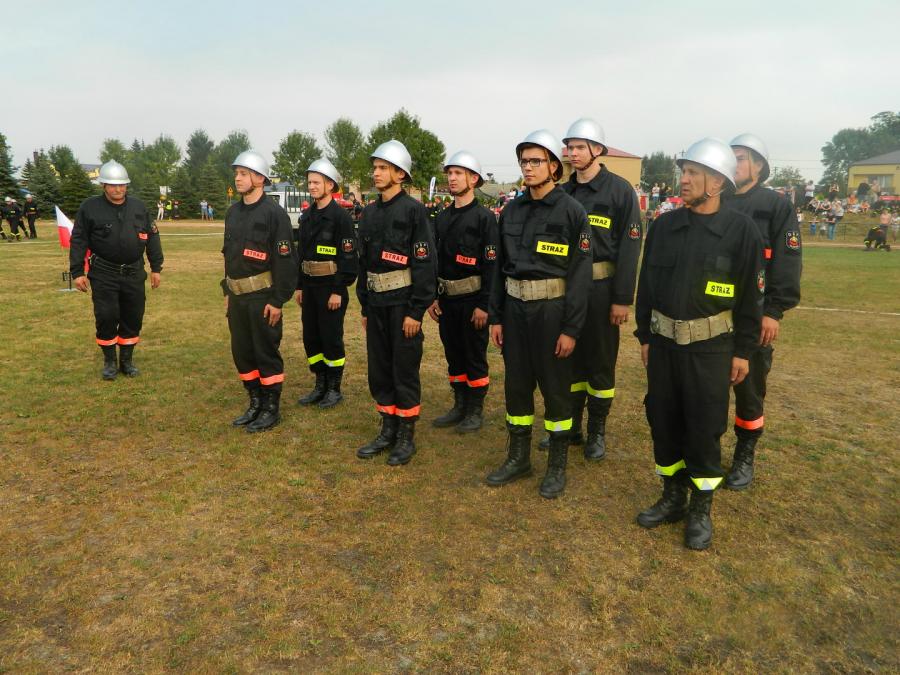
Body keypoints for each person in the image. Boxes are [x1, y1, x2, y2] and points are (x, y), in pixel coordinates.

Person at [634, 138, 763, 550]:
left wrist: (743, 351)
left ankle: (700, 508)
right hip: (663, 346)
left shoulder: (741, 231)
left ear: (718, 182)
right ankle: (672, 497)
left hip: (711, 350)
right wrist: (644, 336)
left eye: (693, 173)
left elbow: (751, 298)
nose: (684, 179)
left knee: (704, 427)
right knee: (663, 419)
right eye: (683, 172)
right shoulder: (664, 227)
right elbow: (646, 286)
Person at [485, 129, 592, 499]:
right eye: (524, 161)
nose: (528, 167)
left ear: (554, 167)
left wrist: (571, 329)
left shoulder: (572, 212)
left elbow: (580, 276)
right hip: (514, 312)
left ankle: (556, 466)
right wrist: (496, 316)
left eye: (535, 161)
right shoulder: (510, 211)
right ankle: (518, 458)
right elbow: (499, 268)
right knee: (516, 386)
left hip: (552, 313)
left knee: (556, 389)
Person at [542, 117, 641, 460]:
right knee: (566, 358)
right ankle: (569, 426)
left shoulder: (620, 191)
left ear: (598, 150)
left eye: (579, 147)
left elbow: (630, 248)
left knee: (599, 361)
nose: (572, 153)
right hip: (566, 290)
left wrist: (622, 299)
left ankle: (597, 431)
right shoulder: (562, 192)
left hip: (601, 289)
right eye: (569, 147)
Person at [724, 134, 802, 491]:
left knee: (749, 390)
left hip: (755, 316)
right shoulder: (717, 200)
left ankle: (744, 456)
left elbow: (787, 261)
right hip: (713, 311)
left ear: (758, 165)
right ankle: (705, 448)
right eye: (731, 158)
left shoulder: (776, 206)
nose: (734, 164)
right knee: (708, 388)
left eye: (740, 158)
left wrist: (773, 311)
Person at [355, 140, 436, 466]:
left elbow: (425, 263)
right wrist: (364, 306)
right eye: (375, 168)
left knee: (404, 369)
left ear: (400, 174)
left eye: (383, 168)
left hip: (403, 306)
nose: (376, 173)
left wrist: (416, 311)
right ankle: (387, 428)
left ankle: (405, 435)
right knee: (379, 369)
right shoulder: (369, 212)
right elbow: (363, 263)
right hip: (376, 305)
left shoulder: (414, 211)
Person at [223, 150, 298, 433]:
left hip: (263, 297)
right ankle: (254, 402)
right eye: (237, 173)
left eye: (244, 173)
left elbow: (285, 261)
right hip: (237, 297)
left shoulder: (274, 214)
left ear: (260, 178)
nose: (238, 178)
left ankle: (270, 408)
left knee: (265, 352)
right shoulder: (232, 213)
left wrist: (278, 300)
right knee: (242, 352)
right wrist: (228, 292)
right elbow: (228, 256)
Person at [69, 160, 164, 380]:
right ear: (103, 185)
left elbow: (152, 236)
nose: (118, 189)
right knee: (107, 316)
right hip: (104, 274)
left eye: (122, 185)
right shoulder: (89, 208)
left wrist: (156, 267)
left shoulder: (139, 207)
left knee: (133, 316)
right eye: (113, 185)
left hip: (133, 273)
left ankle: (127, 361)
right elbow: (79, 240)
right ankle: (110, 362)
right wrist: (77, 272)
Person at [427, 151, 498, 433]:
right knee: (454, 354)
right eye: (450, 173)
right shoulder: (442, 217)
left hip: (473, 301)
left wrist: (484, 305)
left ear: (474, 179)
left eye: (458, 173)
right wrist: (433, 296)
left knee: (474, 355)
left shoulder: (485, 218)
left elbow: (492, 265)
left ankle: (475, 410)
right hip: (447, 300)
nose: (452, 178)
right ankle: (459, 405)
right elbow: (434, 260)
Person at [295, 158, 357, 409]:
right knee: (311, 337)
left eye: (316, 182)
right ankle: (319, 384)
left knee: (331, 337)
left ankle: (334, 388)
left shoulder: (340, 218)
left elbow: (348, 257)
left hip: (331, 288)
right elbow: (301, 254)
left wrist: (338, 290)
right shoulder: (307, 216)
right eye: (309, 182)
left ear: (330, 185)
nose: (311, 186)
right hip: (309, 287)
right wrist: (299, 286)